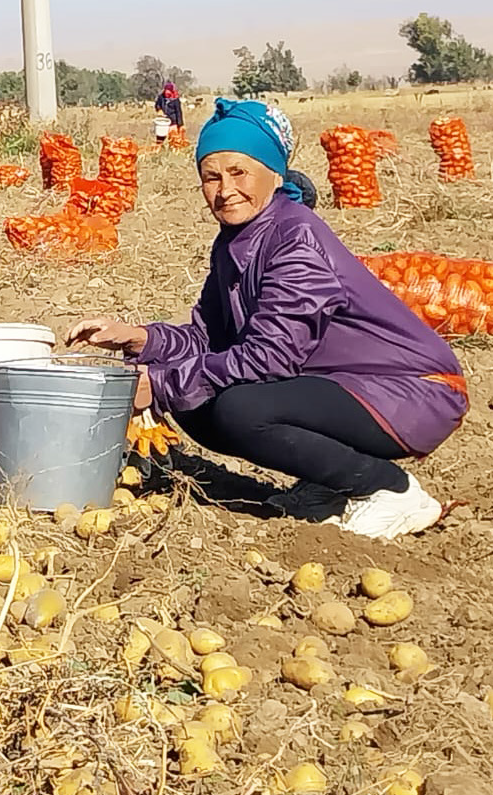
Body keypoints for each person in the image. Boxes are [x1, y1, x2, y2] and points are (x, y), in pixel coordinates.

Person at [66, 99, 467, 541]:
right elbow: (208, 338)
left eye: (240, 172)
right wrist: (142, 339)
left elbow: (268, 358)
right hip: (342, 386)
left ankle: (390, 489)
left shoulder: (295, 239)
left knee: (238, 409)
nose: (225, 190)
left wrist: (160, 384)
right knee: (198, 402)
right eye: (211, 177)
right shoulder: (234, 242)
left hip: (414, 390)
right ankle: (331, 484)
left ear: (273, 174)